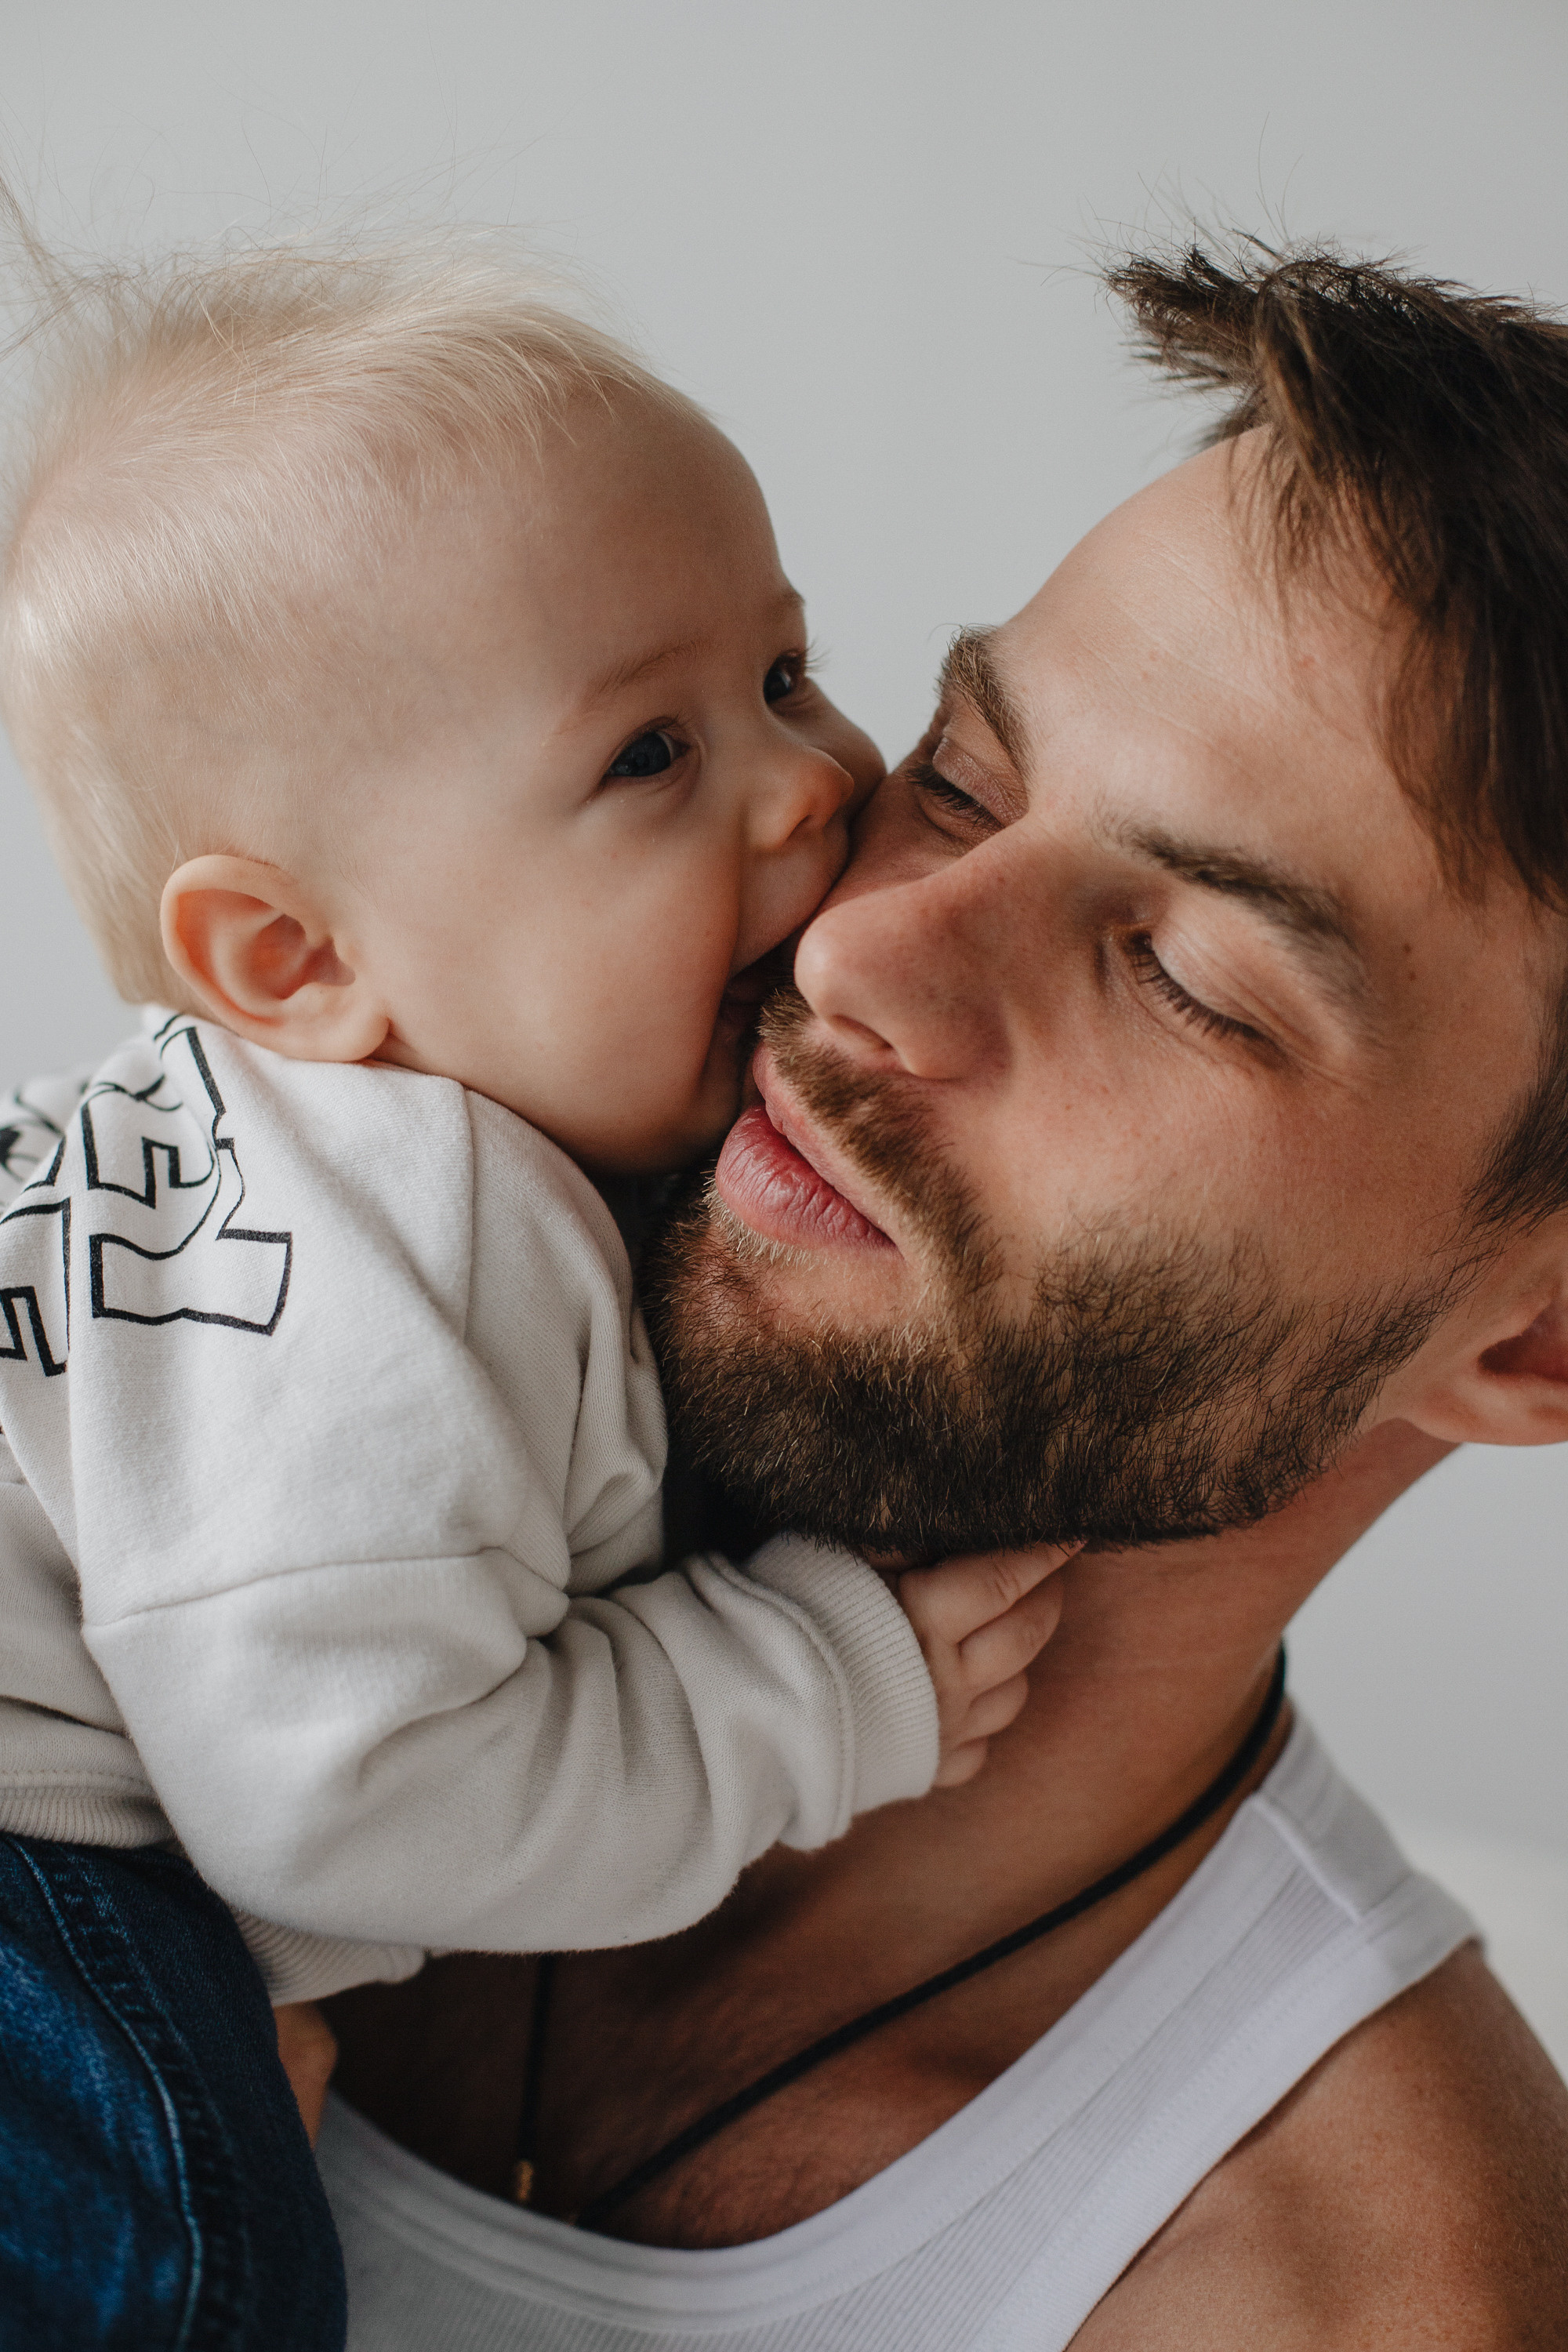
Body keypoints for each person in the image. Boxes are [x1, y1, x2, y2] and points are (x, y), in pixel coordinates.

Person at [318, 241, 1568, 2346]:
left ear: (1531, 1340)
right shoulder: (199, 1457)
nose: (859, 956)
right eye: (966, 779)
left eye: (1181, 974)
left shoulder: (1332, 2296)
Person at [0, 230, 1065, 2350]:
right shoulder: (431, 1215)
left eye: (781, 672)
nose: (812, 780)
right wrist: (819, 1692)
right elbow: (348, 1790)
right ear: (296, 962)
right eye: (646, 759)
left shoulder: (221, 1147)